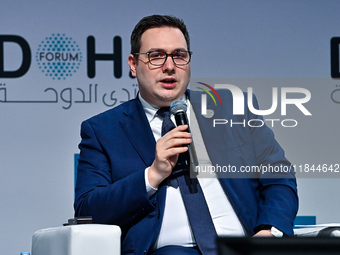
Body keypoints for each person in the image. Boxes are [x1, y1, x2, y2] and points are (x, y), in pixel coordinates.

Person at [74, 14, 298, 255]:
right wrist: (152, 175)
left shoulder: (233, 109)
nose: (169, 66)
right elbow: (88, 209)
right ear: (132, 64)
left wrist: (269, 232)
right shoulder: (103, 130)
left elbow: (278, 175)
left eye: (179, 55)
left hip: (243, 247)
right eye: (156, 56)